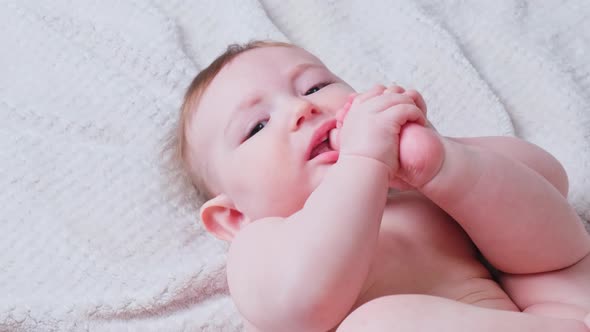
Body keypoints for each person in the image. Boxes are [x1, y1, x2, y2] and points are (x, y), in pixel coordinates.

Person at [177, 40, 590, 331]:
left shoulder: (417, 187)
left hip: (545, 313)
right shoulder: (262, 243)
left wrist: (447, 161)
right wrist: (362, 163)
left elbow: (550, 180)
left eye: (315, 86)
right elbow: (301, 306)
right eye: (257, 126)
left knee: (552, 258)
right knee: (372, 326)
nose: (303, 108)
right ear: (232, 217)